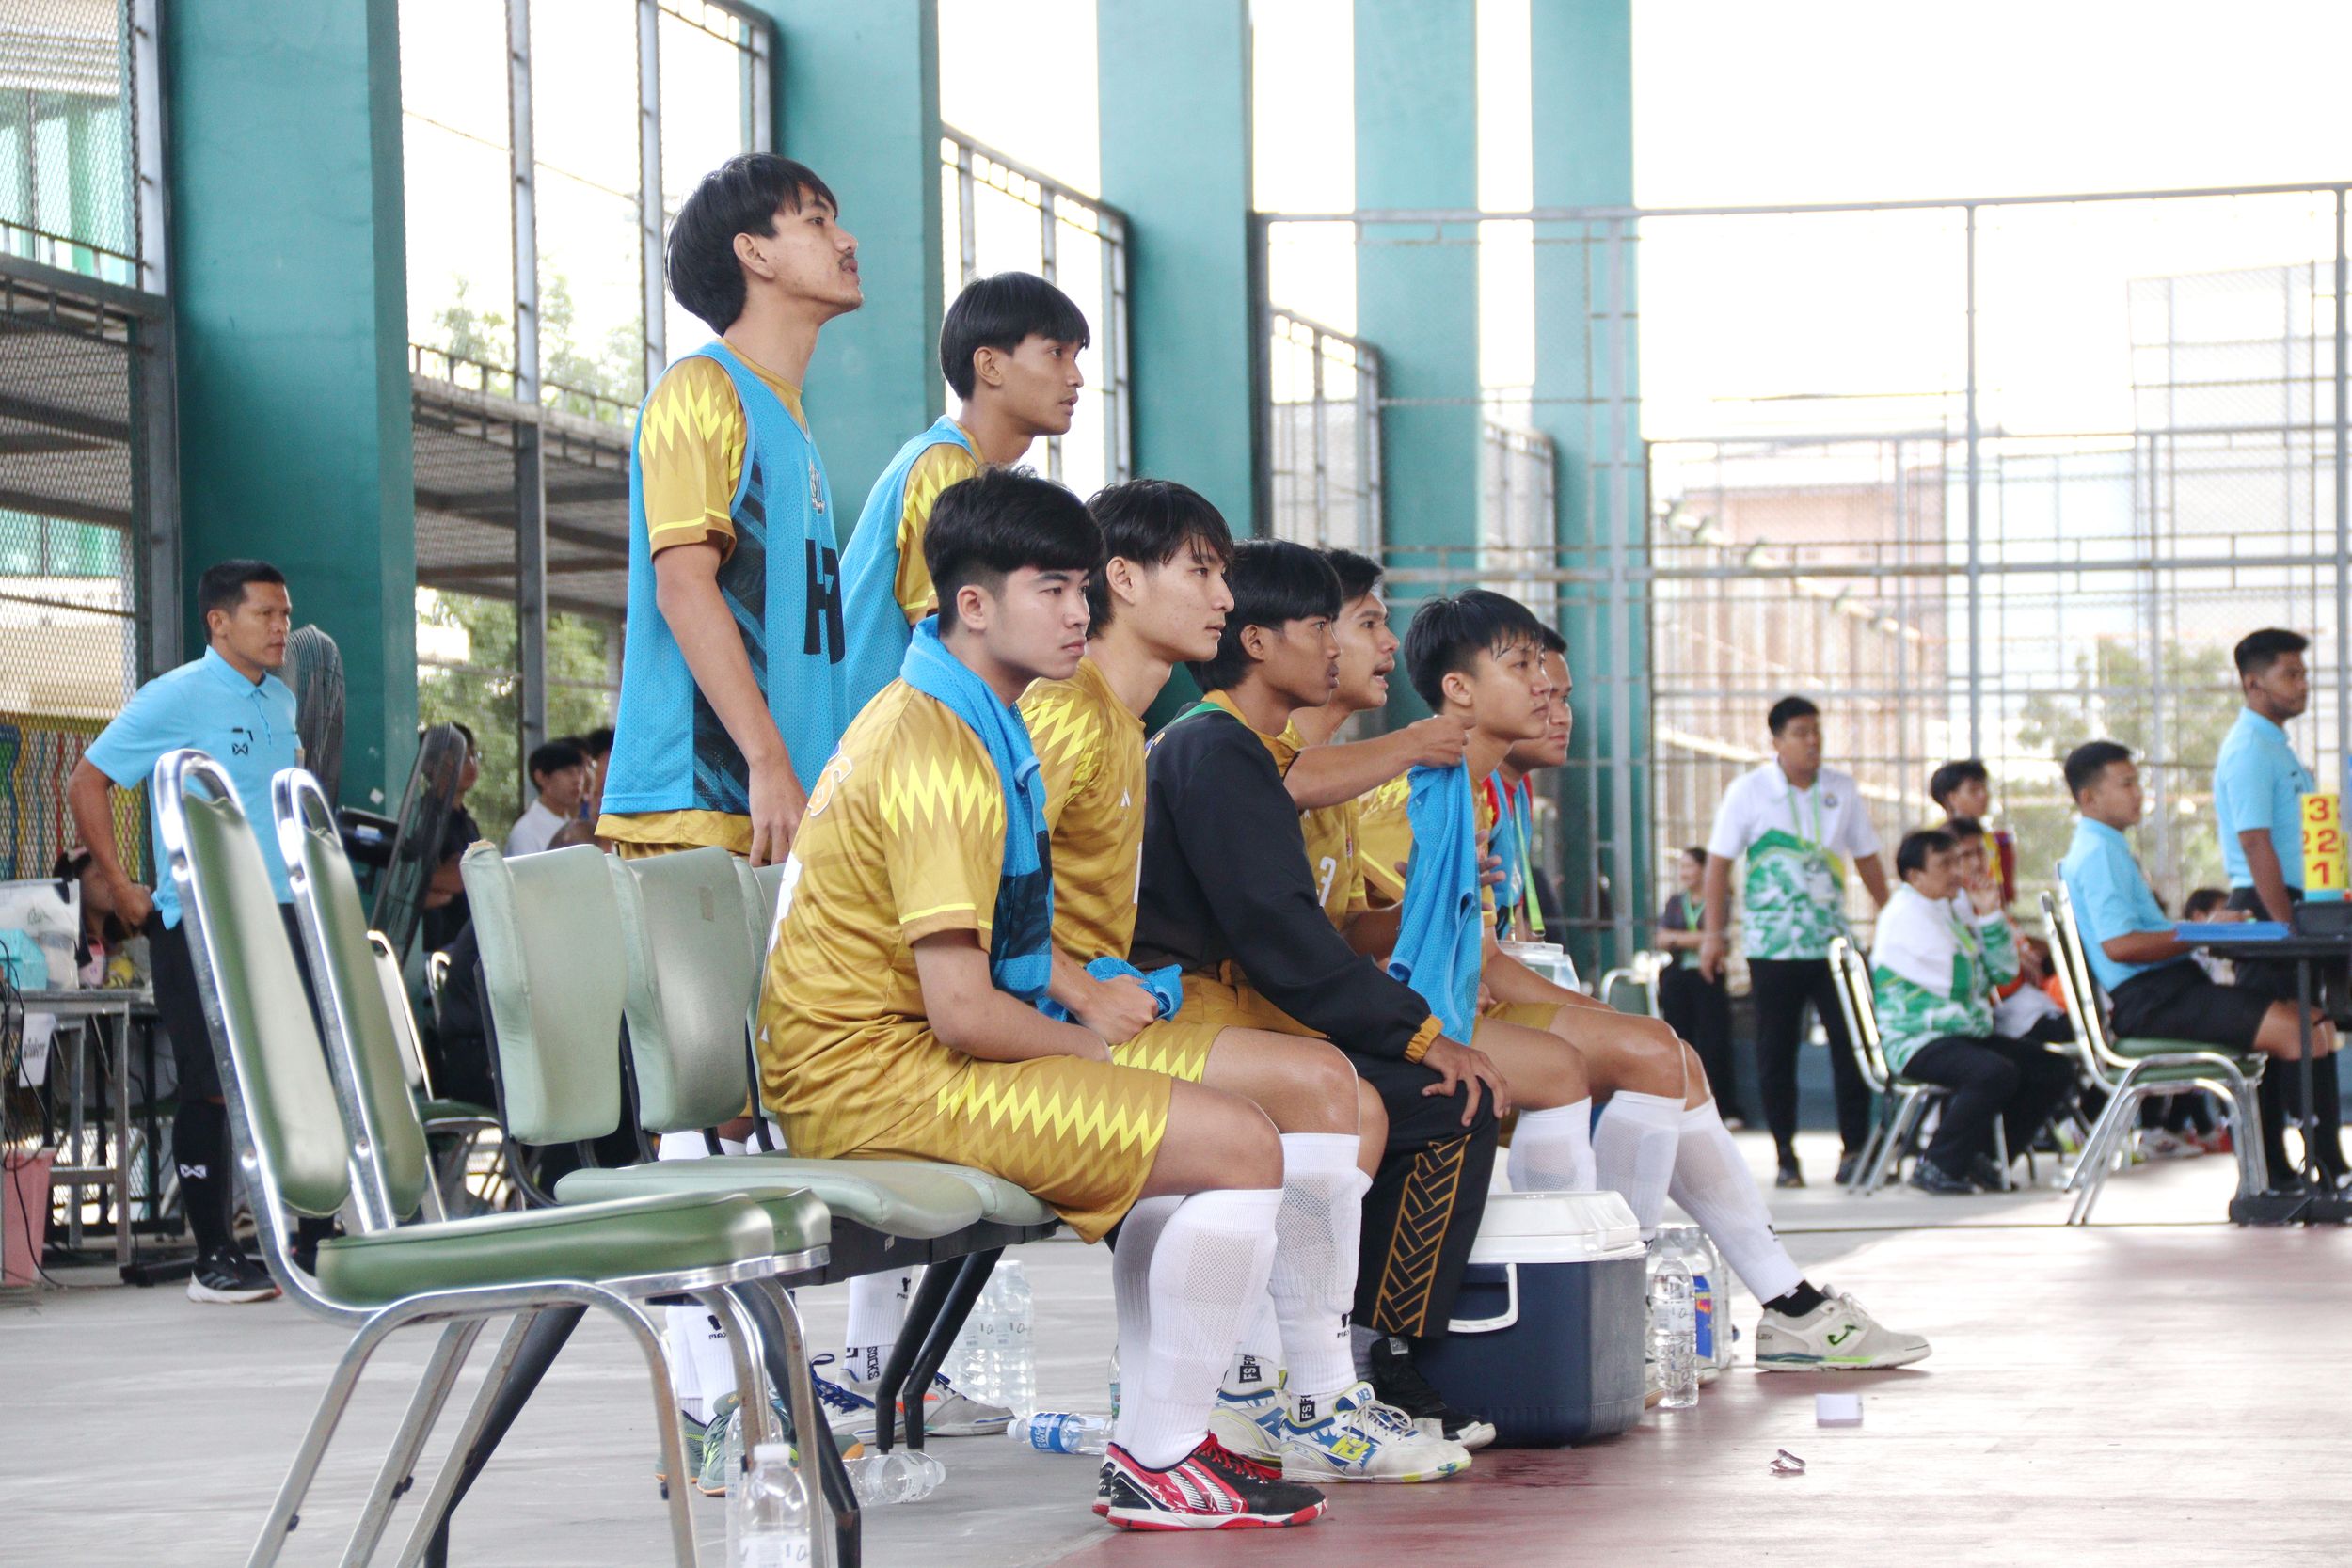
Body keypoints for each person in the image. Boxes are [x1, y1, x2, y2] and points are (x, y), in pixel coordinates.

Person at [757, 470, 1327, 1531]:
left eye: (1081, 588)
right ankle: (1159, 1454)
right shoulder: (937, 749)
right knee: (1240, 1143)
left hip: (896, 1060)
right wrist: (1094, 1050)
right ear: (973, 604)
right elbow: (964, 1012)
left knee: (1207, 1138)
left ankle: (1160, 1441)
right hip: (869, 1083)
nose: (1079, 613)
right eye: (1052, 590)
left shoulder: (975, 719)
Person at [1021, 483, 1465, 1484]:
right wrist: (1078, 987)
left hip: (1121, 1005)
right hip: (1052, 1027)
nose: (1224, 597)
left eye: (1225, 573)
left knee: (1340, 1094)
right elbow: (983, 894)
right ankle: (1304, 1396)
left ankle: (1243, 1390)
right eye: (1202, 570)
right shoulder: (1075, 717)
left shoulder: (1127, 723)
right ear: (1122, 580)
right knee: (1322, 1090)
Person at [1373, 591, 1927, 1374]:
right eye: (1527, 670)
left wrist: (1598, 1013)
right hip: (1415, 1028)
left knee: (1663, 1049)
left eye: (1556, 683)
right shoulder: (1417, 791)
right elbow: (1386, 945)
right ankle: (1617, 1302)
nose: (1550, 696)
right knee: (1634, 1057)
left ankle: (1762, 1300)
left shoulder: (1485, 796)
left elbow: (1483, 953)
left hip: (1463, 1008)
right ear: (1457, 688)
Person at [1131, 542, 1509, 1449]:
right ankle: (1307, 1392)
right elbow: (1282, 939)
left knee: (1444, 1101)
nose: (1340, 646)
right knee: (1359, 1093)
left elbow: (1307, 938)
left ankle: (1365, 1358)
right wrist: (1419, 1032)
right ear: (1258, 642)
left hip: (1245, 1010)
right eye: (1322, 626)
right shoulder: (1212, 746)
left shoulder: (1254, 753)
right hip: (1178, 1015)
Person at [596, 152, 863, 868]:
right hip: (702, 810)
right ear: (754, 253)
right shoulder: (701, 390)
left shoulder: (790, 423)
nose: (847, 241)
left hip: (781, 814)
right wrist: (767, 761)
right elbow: (684, 586)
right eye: (817, 222)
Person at [65, 560, 300, 1304]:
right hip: (202, 919)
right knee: (212, 1086)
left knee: (294, 1080)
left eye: (285, 615)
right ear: (218, 621)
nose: (280, 628)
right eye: (265, 614)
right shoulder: (175, 695)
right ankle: (213, 1259)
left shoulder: (281, 699)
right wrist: (121, 886)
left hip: (283, 914)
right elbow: (86, 781)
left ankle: (312, 1243)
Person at [2060, 740, 2338, 1190]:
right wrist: (2200, 933)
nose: (2139, 793)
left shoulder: (2106, 847)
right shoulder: (2097, 854)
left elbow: (2138, 934)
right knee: (2300, 1031)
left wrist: (2204, 930)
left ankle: (2297, 1173)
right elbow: (2121, 946)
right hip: (2153, 1000)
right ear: (2088, 797)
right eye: (2126, 784)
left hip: (2169, 990)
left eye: (2138, 783)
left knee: (2314, 1023)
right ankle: (2305, 1177)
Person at [840, 271, 1090, 717]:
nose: (1076, 377)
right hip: (884, 739)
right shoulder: (944, 466)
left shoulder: (966, 468)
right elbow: (950, 643)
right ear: (990, 365)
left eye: (1076, 357)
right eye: (1056, 353)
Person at [1699, 696, 1892, 1188]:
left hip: (1831, 944)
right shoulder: (1748, 791)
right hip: (1773, 947)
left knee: (1850, 1045)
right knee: (1776, 1050)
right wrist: (1713, 935)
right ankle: (1785, 1154)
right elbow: (1718, 865)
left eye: (1816, 732)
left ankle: (1855, 1149)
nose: (1812, 741)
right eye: (1801, 733)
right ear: (1777, 741)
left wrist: (1891, 917)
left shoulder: (1841, 789)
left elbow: (1867, 858)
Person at [2211, 627, 2348, 1184]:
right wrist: (2285, 924)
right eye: (2290, 674)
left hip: (2296, 901)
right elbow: (2254, 841)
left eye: (2304, 673)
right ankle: (2271, 1168)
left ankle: (2326, 1159)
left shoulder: (2277, 747)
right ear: (2253, 682)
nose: (2303, 684)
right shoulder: (2248, 749)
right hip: (2267, 903)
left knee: (2315, 1028)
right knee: (2277, 1036)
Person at [1870, 829, 2075, 1195]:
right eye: (1944, 864)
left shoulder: (1949, 907)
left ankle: (1984, 1160)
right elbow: (1968, 981)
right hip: (1918, 1040)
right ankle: (1937, 1164)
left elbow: (2003, 973)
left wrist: (1991, 913)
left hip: (1961, 1034)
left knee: (2052, 1069)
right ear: (1915, 875)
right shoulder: (1905, 914)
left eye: (1958, 861)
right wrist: (1985, 956)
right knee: (1992, 1072)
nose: (1957, 871)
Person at [1657, 845, 1744, 1127]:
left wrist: (1682, 938)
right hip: (1679, 976)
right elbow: (1661, 938)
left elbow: (1720, 936)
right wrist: (1702, 938)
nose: (1684, 873)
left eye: (1690, 866)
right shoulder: (1675, 902)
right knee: (1679, 1039)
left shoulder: (1718, 901)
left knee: (1714, 1041)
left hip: (1709, 976)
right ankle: (1682, 1103)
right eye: (1681, 867)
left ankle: (1723, 1107)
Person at [421, 721, 481, 954]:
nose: (471, 764)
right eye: (461, 757)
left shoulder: (467, 822)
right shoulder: (425, 815)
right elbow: (454, 880)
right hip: (436, 947)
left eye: (474, 755)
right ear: (431, 766)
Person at [1929, 757, 2011, 906]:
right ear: (1952, 798)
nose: (1984, 795)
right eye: (1974, 790)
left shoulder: (1988, 838)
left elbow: (1999, 889)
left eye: (1984, 788)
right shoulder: (1934, 840)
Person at [503, 739, 587, 857]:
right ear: (541, 777)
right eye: (567, 772)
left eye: (580, 772)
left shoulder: (574, 824)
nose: (577, 780)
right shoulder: (526, 832)